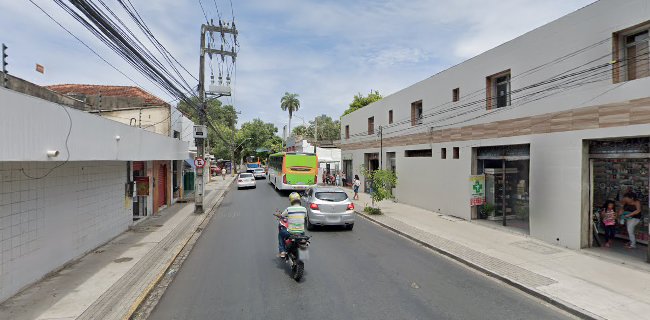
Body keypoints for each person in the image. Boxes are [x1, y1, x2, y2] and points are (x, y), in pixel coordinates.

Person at [274, 192, 307, 258]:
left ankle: (282, 251)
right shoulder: (304, 209)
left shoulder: (289, 209)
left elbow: (282, 216)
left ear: (291, 200)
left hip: (291, 232)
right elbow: (305, 217)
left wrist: (278, 214)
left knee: (281, 234)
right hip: (301, 233)